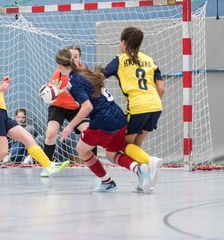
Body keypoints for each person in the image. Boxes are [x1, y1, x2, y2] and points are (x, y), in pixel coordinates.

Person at [56, 48, 159, 193]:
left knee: (81, 150)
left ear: (59, 66)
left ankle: (107, 182)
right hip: (118, 117)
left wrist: (69, 127)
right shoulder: (85, 73)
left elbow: (87, 106)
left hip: (102, 122)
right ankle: (139, 169)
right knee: (112, 154)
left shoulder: (74, 81)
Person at [0, 48, 69, 186]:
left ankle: (48, 165)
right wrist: (1, 88)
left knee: (27, 137)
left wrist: (2, 83)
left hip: (2, 113)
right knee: (3, 151)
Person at [102, 27, 164, 191]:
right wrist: (151, 102)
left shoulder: (120, 60)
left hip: (138, 106)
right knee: (136, 145)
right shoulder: (150, 60)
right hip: (156, 105)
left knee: (123, 145)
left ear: (123, 42)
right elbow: (161, 88)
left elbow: (100, 76)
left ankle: (149, 161)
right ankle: (145, 181)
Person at [41, 45, 96, 177]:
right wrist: (50, 93)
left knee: (90, 133)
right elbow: (51, 93)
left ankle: (94, 166)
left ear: (80, 58)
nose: (73, 60)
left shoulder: (84, 72)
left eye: (75, 57)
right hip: (58, 107)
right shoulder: (59, 72)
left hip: (77, 108)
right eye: (70, 57)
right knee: (50, 133)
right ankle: (47, 166)